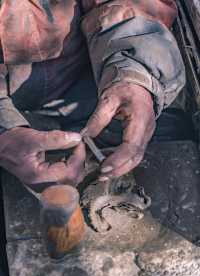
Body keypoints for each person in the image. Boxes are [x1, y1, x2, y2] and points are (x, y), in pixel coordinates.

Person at [0, 0, 185, 186]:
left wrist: (135, 76)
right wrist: (5, 130)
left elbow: (134, 5)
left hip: (86, 86)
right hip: (9, 116)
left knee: (172, 135)